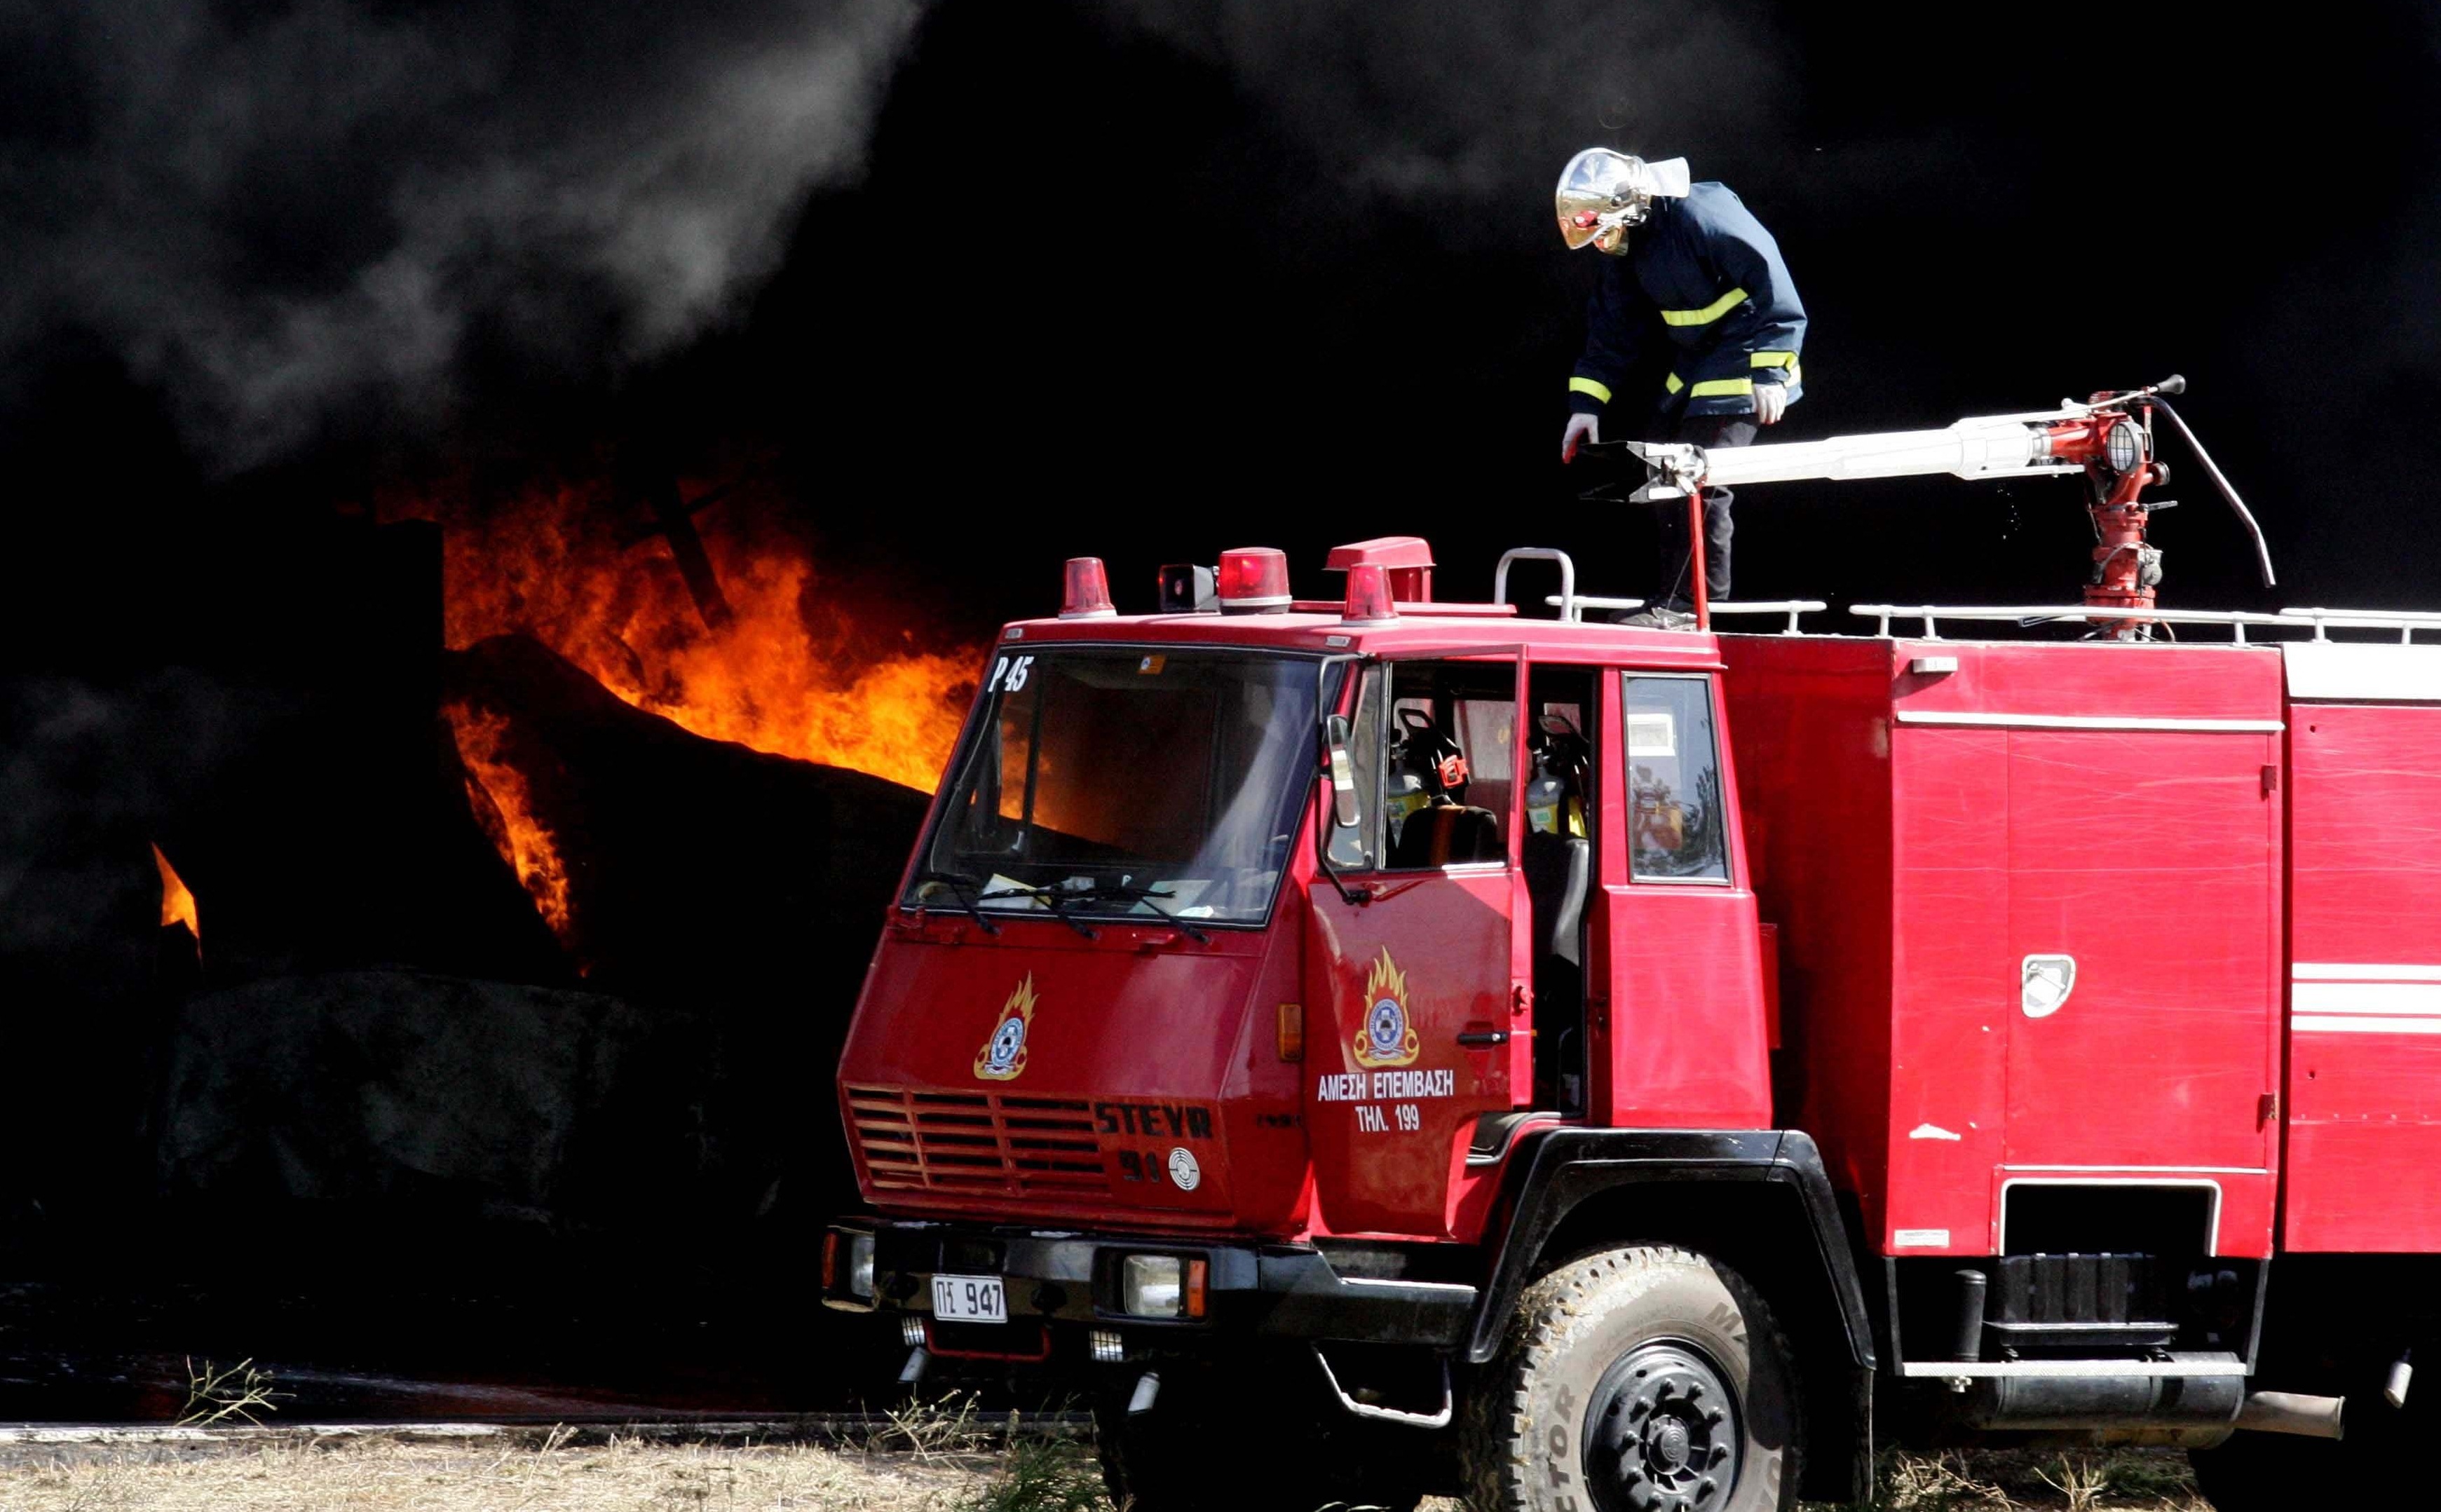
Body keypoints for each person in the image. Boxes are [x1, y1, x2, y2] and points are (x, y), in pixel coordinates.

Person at [1555, 149, 1805, 618]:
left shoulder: (1702, 213)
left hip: (1751, 351)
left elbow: (1774, 284)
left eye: (1606, 231)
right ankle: (1670, 600)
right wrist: (1585, 405)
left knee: (1698, 475)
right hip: (1700, 361)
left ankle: (1691, 605)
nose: (1603, 244)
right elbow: (1614, 326)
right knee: (1660, 467)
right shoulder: (1632, 242)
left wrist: (1771, 373)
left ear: (1629, 207)